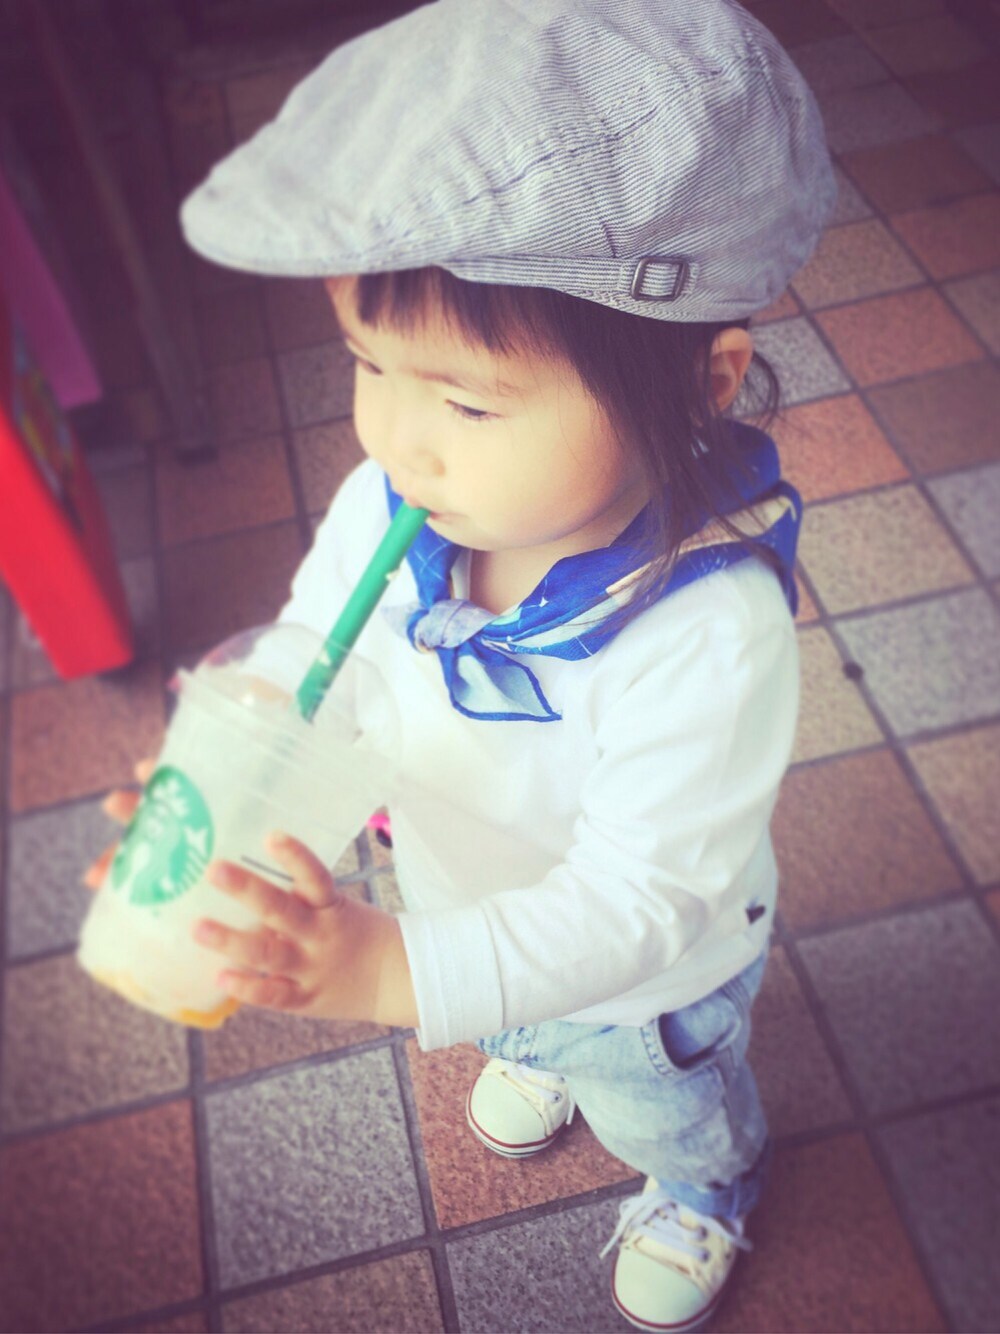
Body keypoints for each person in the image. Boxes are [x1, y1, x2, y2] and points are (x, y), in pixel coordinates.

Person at [97, 3, 835, 1328]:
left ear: (703, 384)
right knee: (505, 1006)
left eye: (468, 400)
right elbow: (317, 648)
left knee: (659, 1105)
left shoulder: (706, 633)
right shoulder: (397, 502)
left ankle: (705, 1184)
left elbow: (640, 898)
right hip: (458, 899)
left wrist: (393, 973)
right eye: (367, 365)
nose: (398, 438)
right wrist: (233, 765)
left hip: (640, 986)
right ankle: (526, 1039)